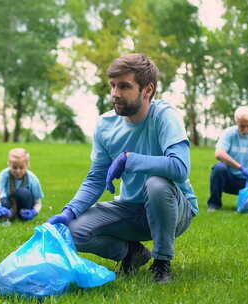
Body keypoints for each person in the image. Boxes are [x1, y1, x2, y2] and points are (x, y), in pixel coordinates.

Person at [47, 53, 198, 284]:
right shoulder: (106, 126)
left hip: (175, 209)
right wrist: (70, 211)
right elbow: (96, 178)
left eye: (124, 86)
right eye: (113, 86)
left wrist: (130, 159)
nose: (115, 94)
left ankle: (162, 262)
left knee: (156, 183)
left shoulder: (165, 116)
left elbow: (180, 168)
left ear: (148, 90)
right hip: (130, 207)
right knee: (73, 231)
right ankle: (131, 253)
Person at [0, 148, 44, 222]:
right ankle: (6, 216)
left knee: (23, 192)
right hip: (10, 201)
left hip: (25, 203)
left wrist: (34, 212)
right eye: (14, 167)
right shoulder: (5, 174)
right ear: (9, 164)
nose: (18, 171)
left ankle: (22, 217)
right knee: (3, 201)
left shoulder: (33, 179)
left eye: (21, 167)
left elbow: (38, 203)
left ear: (28, 165)